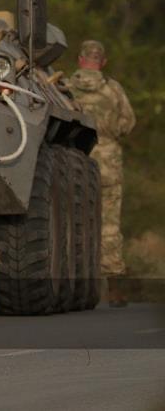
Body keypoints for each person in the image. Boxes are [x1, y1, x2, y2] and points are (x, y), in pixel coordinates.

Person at [66, 39, 136, 307]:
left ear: (80, 59)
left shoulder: (66, 87)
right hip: (108, 163)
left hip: (75, 161)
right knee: (109, 226)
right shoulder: (113, 89)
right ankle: (115, 288)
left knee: (73, 221)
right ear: (103, 62)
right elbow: (128, 123)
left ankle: (75, 285)